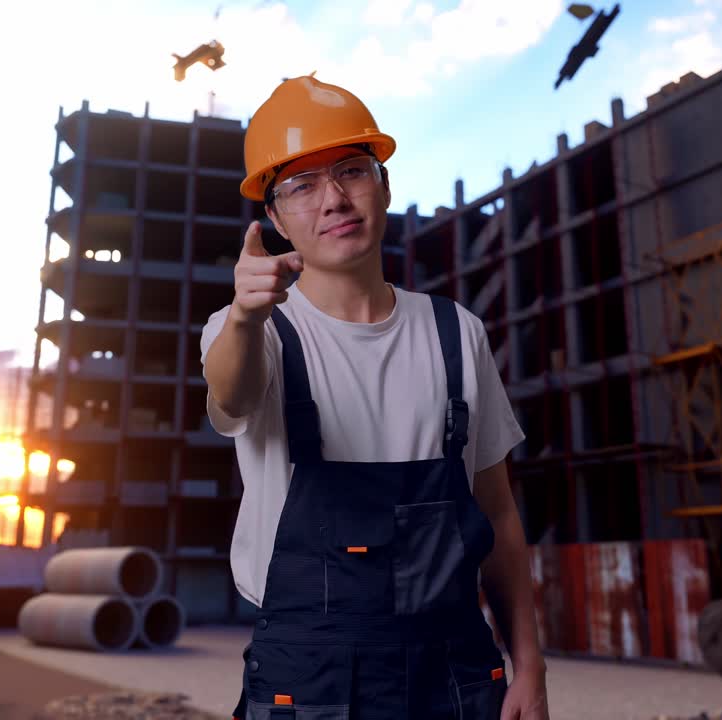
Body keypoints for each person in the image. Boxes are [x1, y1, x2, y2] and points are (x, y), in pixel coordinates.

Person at [201, 75, 549, 720]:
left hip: (454, 667)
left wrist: (528, 666)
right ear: (274, 218)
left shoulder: (457, 334)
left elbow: (497, 514)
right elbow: (233, 392)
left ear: (383, 186)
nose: (333, 199)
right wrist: (247, 318)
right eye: (302, 186)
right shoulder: (250, 332)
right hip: (310, 674)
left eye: (351, 171)